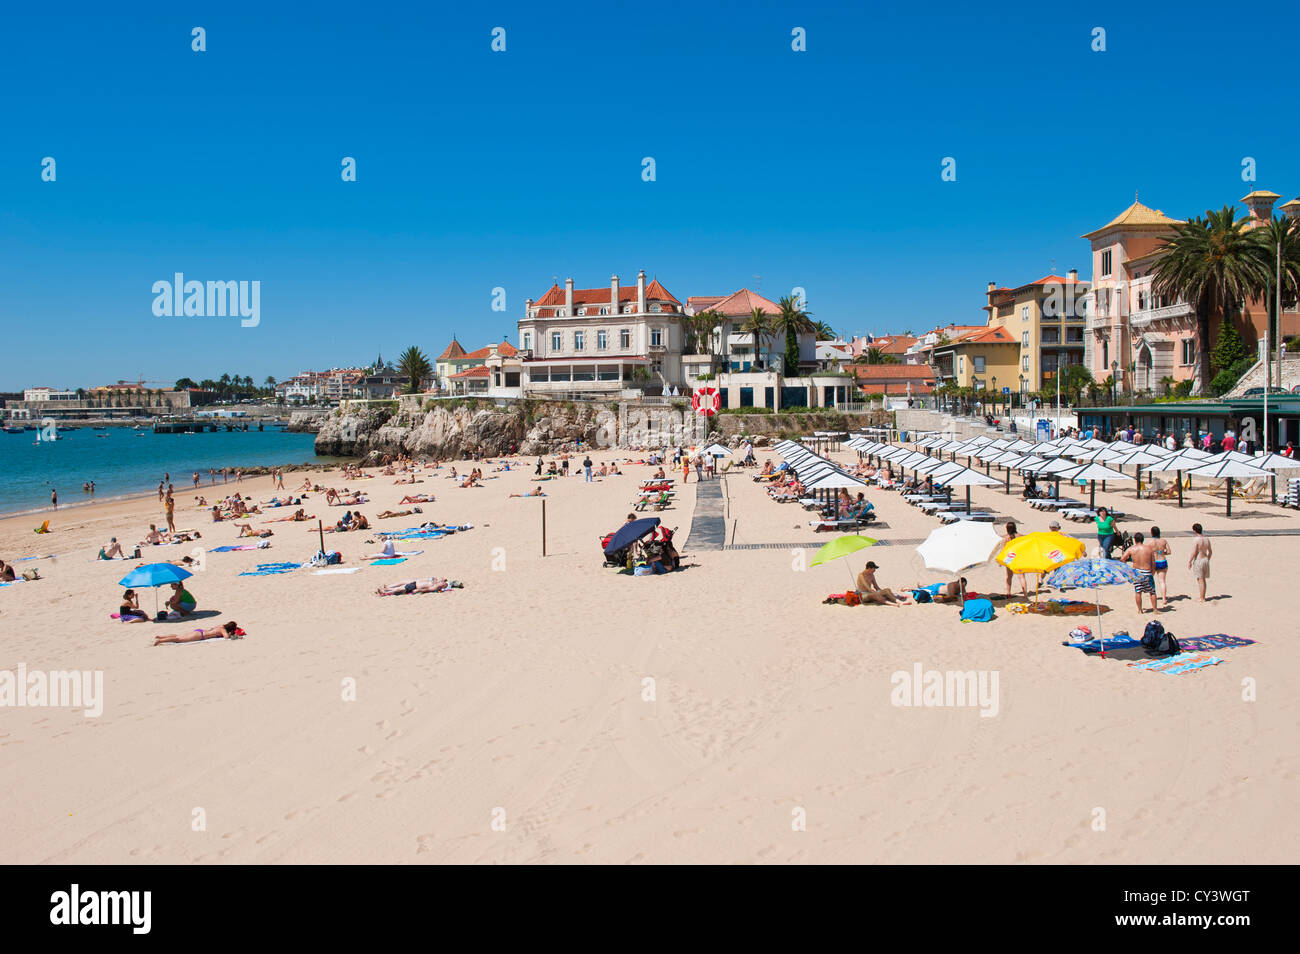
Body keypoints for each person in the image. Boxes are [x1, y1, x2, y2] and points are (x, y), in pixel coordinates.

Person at [1120, 531, 1158, 613]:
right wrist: (1153, 572)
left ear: (1135, 540)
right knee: (1152, 592)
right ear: (1143, 539)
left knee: (1138, 591)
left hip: (1137, 572)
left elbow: (1122, 559)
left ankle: (1140, 610)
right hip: (1147, 572)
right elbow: (1153, 562)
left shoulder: (1131, 549)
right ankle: (1155, 610)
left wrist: (1126, 569)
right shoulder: (1148, 549)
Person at [154, 621, 241, 645]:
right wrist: (230, 635)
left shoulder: (220, 626)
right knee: (179, 639)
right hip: (200, 635)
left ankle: (161, 637)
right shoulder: (223, 630)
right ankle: (160, 641)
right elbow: (226, 637)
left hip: (199, 631)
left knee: (179, 636)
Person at [1002, 521, 1028, 598]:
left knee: (1009, 576)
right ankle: (1025, 594)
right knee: (1022, 577)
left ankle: (1008, 593)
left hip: (1010, 558)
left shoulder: (1006, 538)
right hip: (1019, 557)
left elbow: (1003, 550)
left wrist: (1001, 560)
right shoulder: (1020, 536)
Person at [1188, 522, 1212, 602]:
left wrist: (1190, 561)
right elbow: (1210, 552)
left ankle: (1202, 597)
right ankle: (1202, 596)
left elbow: (1194, 552)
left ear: (1195, 530)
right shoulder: (1206, 539)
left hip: (1199, 560)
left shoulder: (1196, 539)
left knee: (1200, 579)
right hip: (1205, 559)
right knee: (1203, 579)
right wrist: (1208, 559)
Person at [1148, 525, 1172, 605]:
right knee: (1162, 581)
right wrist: (1161, 552)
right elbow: (1168, 552)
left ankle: (1151, 594)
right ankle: (1164, 598)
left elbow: (1147, 552)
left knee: (1151, 579)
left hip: (1154, 562)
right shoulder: (1164, 541)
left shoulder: (1150, 542)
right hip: (1162, 560)